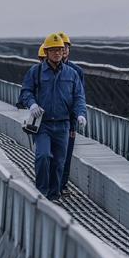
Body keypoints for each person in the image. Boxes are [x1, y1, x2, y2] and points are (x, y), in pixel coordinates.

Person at [19, 33, 87, 202]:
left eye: (60, 49)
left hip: (63, 125)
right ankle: (42, 193)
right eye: (54, 50)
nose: (58, 53)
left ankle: (54, 195)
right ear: (47, 52)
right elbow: (26, 91)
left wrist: (80, 114)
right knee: (43, 156)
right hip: (44, 125)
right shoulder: (36, 72)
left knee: (58, 163)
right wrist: (32, 104)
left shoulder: (72, 74)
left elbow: (79, 97)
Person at [57, 32, 85, 198]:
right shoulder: (43, 70)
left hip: (68, 121)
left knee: (66, 154)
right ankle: (53, 184)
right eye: (61, 47)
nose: (64, 50)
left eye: (66, 47)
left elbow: (79, 96)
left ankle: (62, 185)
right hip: (51, 120)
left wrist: (76, 120)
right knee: (51, 154)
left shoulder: (76, 71)